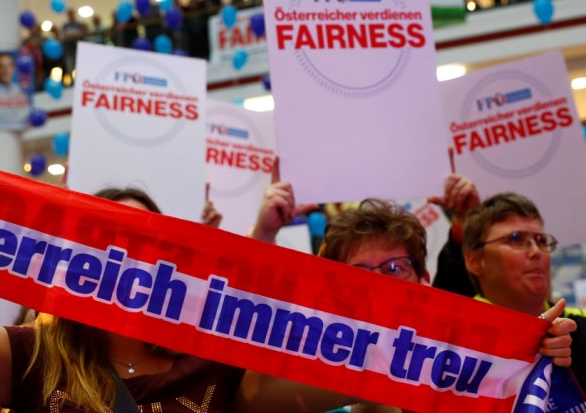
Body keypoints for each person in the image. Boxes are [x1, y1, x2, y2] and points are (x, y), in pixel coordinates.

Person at [0, 187, 371, 412]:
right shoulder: (34, 355)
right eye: (112, 240)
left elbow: (364, 368)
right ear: (78, 263)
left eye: (148, 240)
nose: (129, 258)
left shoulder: (215, 362)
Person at [249, 172, 575, 412]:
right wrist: (262, 237)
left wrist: (536, 351)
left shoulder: (466, 372)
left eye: (394, 269)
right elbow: (246, 398)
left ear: (424, 281)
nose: (378, 283)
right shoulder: (302, 383)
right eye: (358, 272)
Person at [463, 191, 586, 391]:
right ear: (475, 261)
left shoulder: (578, 328)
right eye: (515, 238)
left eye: (541, 240)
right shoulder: (452, 339)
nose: (536, 252)